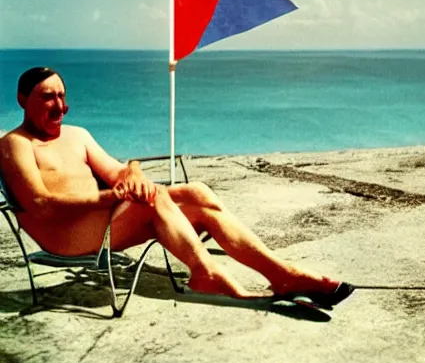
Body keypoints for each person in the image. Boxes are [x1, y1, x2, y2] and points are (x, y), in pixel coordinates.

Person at [0, 66, 353, 307]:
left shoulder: (77, 135)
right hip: (63, 236)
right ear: (22, 99)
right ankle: (207, 273)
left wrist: (134, 170)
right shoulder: (15, 143)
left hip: (102, 224)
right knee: (151, 200)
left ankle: (282, 274)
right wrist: (114, 195)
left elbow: (117, 171)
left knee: (196, 192)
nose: (60, 105)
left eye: (62, 95)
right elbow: (41, 203)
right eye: (48, 97)